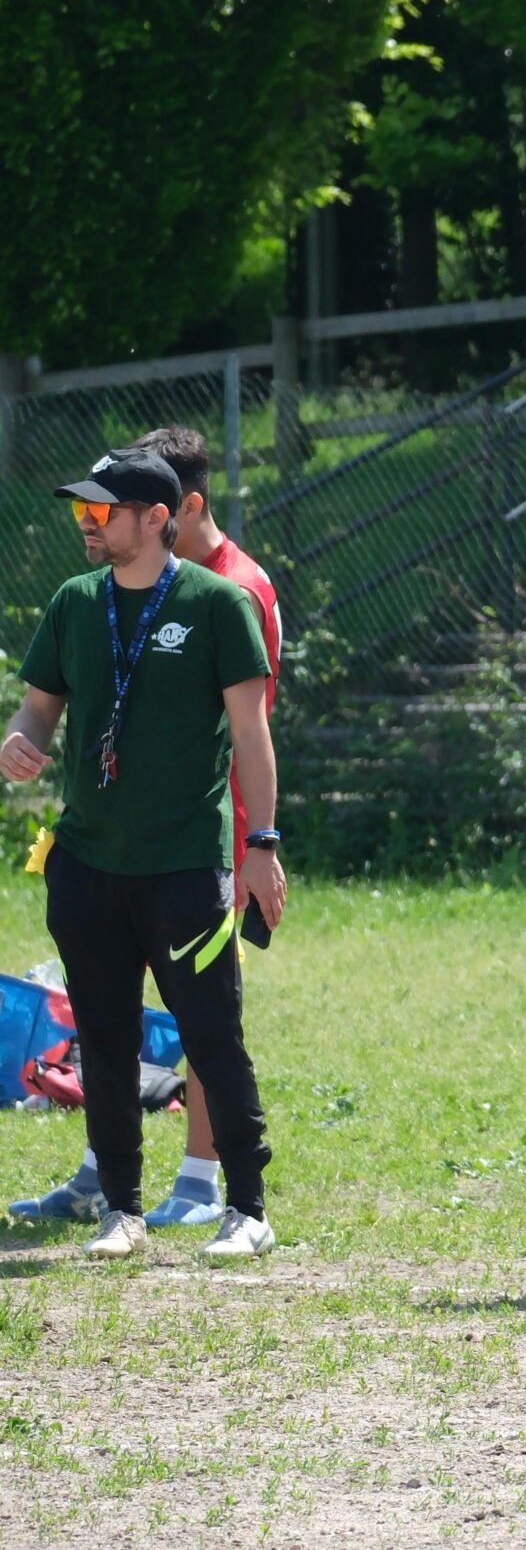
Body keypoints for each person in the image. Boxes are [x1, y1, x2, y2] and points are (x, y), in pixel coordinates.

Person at [2, 448, 283, 1262]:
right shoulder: (72, 603)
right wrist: (18, 746)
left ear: (156, 518)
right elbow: (35, 713)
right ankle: (119, 1210)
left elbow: (252, 737)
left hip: (185, 865)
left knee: (211, 1033)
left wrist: (260, 844)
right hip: (88, 863)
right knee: (104, 1032)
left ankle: (247, 1207)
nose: (85, 524)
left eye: (101, 511)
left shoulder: (218, 604)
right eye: (79, 511)